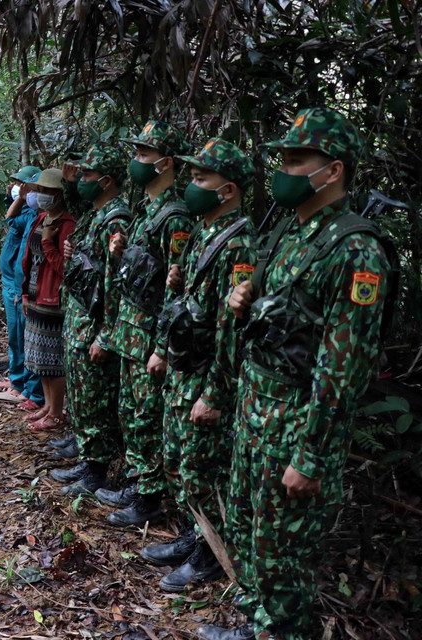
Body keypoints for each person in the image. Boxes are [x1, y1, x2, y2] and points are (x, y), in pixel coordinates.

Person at [199, 108, 394, 640]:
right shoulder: (291, 231)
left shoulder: (356, 251)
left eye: (295, 160)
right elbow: (275, 320)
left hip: (296, 424)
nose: (282, 170)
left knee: (283, 552)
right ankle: (257, 621)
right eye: (281, 159)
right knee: (252, 533)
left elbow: (343, 368)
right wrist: (242, 300)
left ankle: (280, 630)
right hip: (256, 413)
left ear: (333, 171)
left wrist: (311, 455)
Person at [140, 139, 257, 592]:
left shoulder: (238, 242)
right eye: (189, 177)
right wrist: (178, 281)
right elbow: (190, 305)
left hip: (207, 377)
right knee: (181, 463)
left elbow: (232, 331)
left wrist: (215, 394)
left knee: (203, 471)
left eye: (200, 178)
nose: (191, 186)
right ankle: (195, 537)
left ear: (227, 190)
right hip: (184, 369)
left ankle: (211, 555)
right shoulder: (204, 232)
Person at [94, 121, 194, 528]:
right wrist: (119, 254)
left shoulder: (175, 217)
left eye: (143, 155)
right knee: (133, 414)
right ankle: (138, 484)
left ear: (165, 163)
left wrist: (162, 348)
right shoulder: (145, 212)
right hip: (131, 333)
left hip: (150, 337)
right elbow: (140, 276)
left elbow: (176, 290)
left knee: (148, 418)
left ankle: (150, 497)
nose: (135, 162)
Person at [48, 146, 132, 496]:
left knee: (96, 400)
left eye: (88, 175)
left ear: (107, 181)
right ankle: (86, 456)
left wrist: (107, 334)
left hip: (95, 323)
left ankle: (96, 470)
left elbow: (116, 284)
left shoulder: (116, 219)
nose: (82, 180)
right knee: (83, 396)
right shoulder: (98, 214)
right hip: (80, 317)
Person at [21, 168, 77, 432]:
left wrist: (48, 243)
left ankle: (56, 413)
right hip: (35, 295)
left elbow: (65, 269)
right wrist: (25, 293)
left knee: (53, 361)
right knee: (39, 358)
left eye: (46, 191)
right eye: (39, 190)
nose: (41, 195)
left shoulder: (67, 224)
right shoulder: (42, 218)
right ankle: (47, 405)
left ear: (59, 195)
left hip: (54, 300)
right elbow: (29, 259)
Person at [0, 166, 45, 410]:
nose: (19, 187)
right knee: (15, 336)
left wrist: (23, 197)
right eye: (16, 183)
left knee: (27, 338)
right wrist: (15, 196)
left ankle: (30, 389)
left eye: (23, 184)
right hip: (12, 283)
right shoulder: (25, 211)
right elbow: (10, 218)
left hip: (24, 287)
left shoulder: (37, 216)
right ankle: (18, 381)